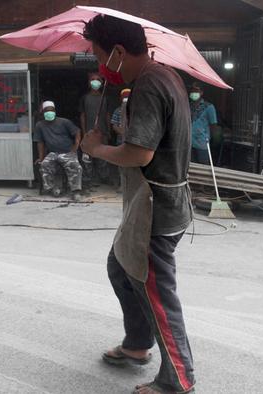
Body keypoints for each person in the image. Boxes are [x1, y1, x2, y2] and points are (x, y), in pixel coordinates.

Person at [81, 14, 195, 394]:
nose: (99, 66)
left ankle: (178, 379)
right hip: (153, 204)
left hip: (155, 209)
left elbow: (140, 154)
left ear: (116, 51)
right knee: (120, 267)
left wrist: (97, 148)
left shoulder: (148, 84)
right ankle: (137, 344)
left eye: (99, 55)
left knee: (157, 294)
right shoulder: (164, 76)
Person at [33, 101, 83, 201]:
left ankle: (75, 191)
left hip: (67, 152)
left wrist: (75, 147)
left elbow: (77, 132)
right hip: (52, 153)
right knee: (44, 165)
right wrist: (41, 157)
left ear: (55, 111)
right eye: (46, 111)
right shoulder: (40, 125)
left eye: (51, 110)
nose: (49, 112)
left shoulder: (64, 122)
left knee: (76, 166)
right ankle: (52, 188)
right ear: (43, 112)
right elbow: (40, 142)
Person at [79, 72, 111, 186]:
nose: (95, 81)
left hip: (102, 132)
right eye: (93, 79)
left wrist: (108, 131)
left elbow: (107, 115)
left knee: (103, 157)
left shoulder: (105, 98)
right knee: (88, 156)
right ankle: (89, 180)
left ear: (102, 83)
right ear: (89, 82)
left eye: (98, 79)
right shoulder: (85, 98)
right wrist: (84, 132)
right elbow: (83, 115)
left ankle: (104, 178)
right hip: (89, 132)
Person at [188, 82, 218, 165]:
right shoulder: (188, 106)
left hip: (202, 143)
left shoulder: (209, 107)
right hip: (189, 143)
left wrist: (210, 139)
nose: (193, 92)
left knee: (203, 167)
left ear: (201, 92)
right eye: (192, 90)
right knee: (190, 167)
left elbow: (213, 125)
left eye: (196, 90)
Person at [110, 88, 131, 190]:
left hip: (133, 142)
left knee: (134, 165)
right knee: (121, 164)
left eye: (128, 96)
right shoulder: (118, 110)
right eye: (124, 96)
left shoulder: (136, 110)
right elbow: (114, 125)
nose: (126, 98)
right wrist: (123, 133)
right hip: (121, 142)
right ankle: (123, 185)